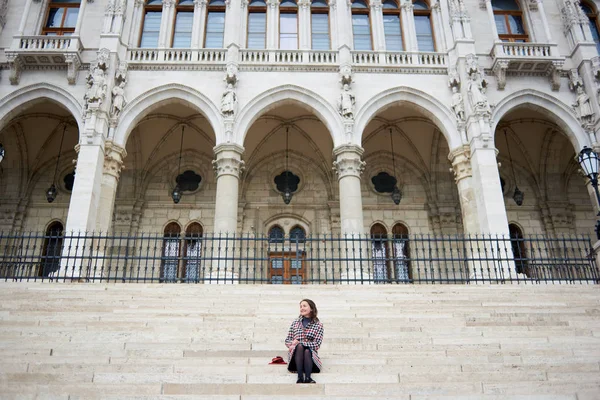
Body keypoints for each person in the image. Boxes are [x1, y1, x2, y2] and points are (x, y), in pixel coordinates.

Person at [285, 299, 324, 384]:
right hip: (295, 357)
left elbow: (317, 344)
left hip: (310, 357)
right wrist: (291, 345)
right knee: (299, 347)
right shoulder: (295, 323)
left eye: (304, 306)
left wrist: (301, 343)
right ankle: (299, 377)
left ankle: (308, 377)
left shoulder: (318, 325)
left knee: (306, 350)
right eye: (301, 306)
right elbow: (288, 340)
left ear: (312, 308)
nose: (302, 308)